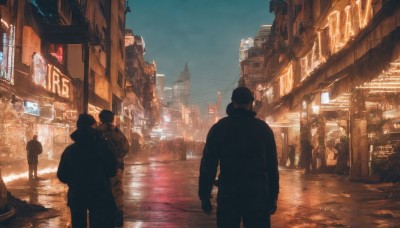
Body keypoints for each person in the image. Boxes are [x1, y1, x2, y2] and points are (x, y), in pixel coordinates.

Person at [198, 87, 279, 228]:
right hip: (257, 196)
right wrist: (273, 196)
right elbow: (272, 166)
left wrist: (204, 196)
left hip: (229, 195)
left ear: (233, 102)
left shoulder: (219, 128)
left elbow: (208, 165)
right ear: (251, 103)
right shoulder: (263, 129)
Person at [57, 114, 117, 228]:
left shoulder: (70, 150)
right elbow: (112, 170)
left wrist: (74, 181)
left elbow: (61, 175)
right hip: (99, 195)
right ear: (93, 127)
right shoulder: (102, 148)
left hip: (77, 195)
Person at [97, 110, 130, 227]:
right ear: (112, 119)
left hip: (100, 169)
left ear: (100, 119)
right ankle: (118, 218)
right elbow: (126, 148)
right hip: (117, 167)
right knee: (117, 193)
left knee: (101, 194)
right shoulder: (118, 132)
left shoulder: (97, 132)